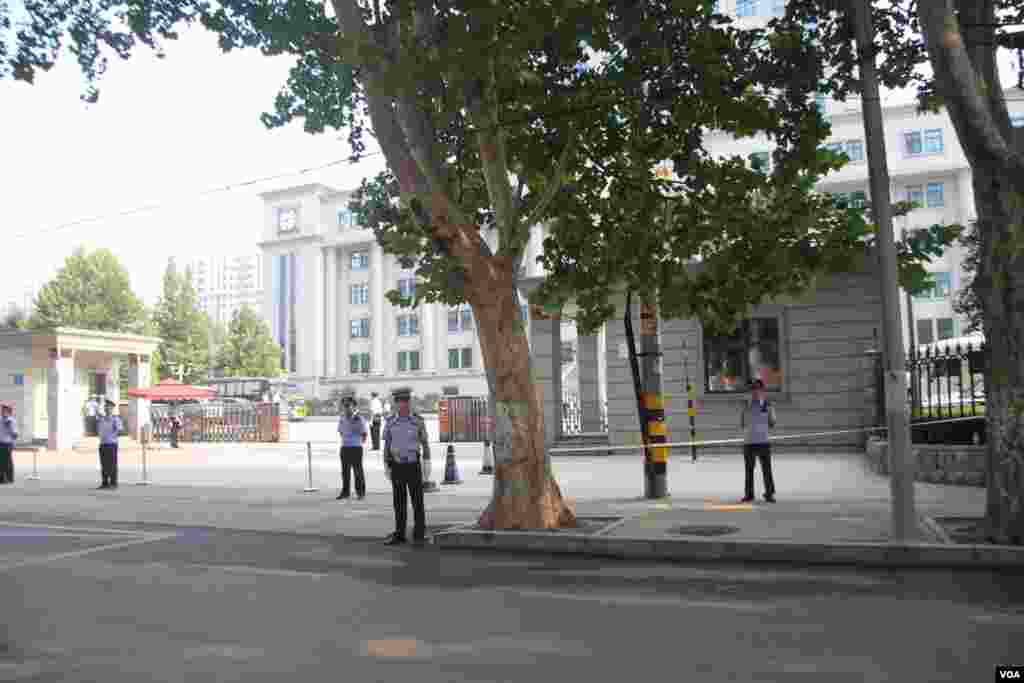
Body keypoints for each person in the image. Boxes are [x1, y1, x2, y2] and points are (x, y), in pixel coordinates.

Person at [382, 387, 431, 545]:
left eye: (405, 401)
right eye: (399, 401)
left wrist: (427, 464)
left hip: (413, 465)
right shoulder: (390, 422)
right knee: (399, 502)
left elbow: (425, 444)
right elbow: (387, 444)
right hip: (397, 465)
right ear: (395, 403)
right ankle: (400, 533)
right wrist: (386, 465)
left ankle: (419, 533)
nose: (402, 404)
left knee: (417, 501)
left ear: (410, 402)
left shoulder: (417, 421)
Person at [740, 379, 777, 503]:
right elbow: (742, 422)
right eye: (753, 389)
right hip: (749, 441)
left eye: (757, 389)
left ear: (762, 390)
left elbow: (772, 422)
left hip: (763, 440)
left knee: (766, 469)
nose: (755, 391)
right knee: (749, 469)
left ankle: (769, 493)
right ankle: (749, 494)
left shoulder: (767, 404)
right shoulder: (746, 404)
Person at [336, 390, 368, 500]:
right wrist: (347, 440)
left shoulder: (359, 419)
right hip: (345, 447)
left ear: (354, 406)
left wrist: (356, 441)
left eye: (348, 406)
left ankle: (360, 492)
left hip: (356, 448)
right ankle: (345, 492)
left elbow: (364, 434)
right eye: (345, 406)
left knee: (358, 471)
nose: (346, 408)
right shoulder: (342, 418)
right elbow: (340, 432)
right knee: (345, 471)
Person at [97, 399, 123, 489]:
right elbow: (99, 431)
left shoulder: (116, 419)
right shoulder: (102, 419)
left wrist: (115, 431)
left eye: (109, 407)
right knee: (104, 464)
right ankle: (105, 482)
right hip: (103, 444)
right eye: (105, 407)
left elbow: (120, 431)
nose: (107, 409)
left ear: (112, 409)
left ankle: (113, 483)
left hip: (111, 444)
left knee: (112, 464)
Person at [0, 404, 18, 484]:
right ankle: (2, 479)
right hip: (0, 443)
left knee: (7, 461)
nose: (3, 412)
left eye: (5, 410)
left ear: (9, 412)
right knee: (1, 462)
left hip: (7, 443)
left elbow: (15, 435)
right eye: (2, 410)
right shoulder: (0, 419)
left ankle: (9, 478)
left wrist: (9, 427)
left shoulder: (12, 421)